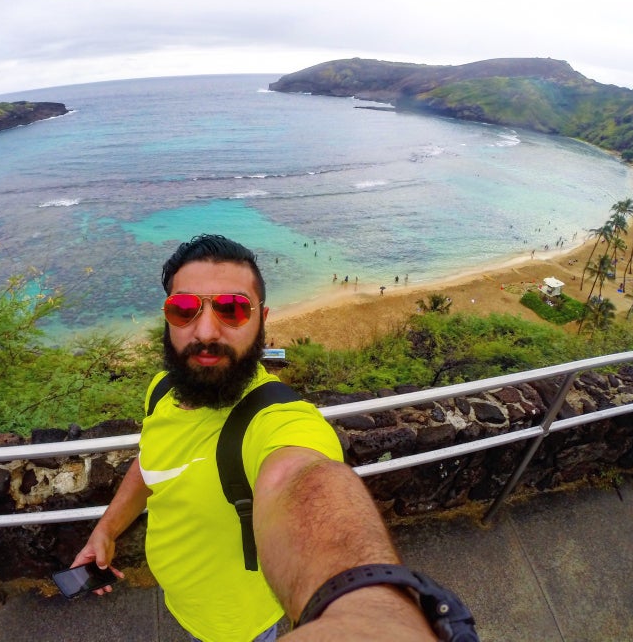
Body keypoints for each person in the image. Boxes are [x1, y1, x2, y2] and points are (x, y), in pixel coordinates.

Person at [72, 235, 442, 641]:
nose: (206, 331)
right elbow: (152, 463)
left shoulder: (277, 422)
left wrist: (372, 614)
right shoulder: (162, 390)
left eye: (232, 309)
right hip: (181, 600)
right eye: (183, 309)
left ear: (261, 318)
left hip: (236, 626)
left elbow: (303, 480)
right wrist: (107, 528)